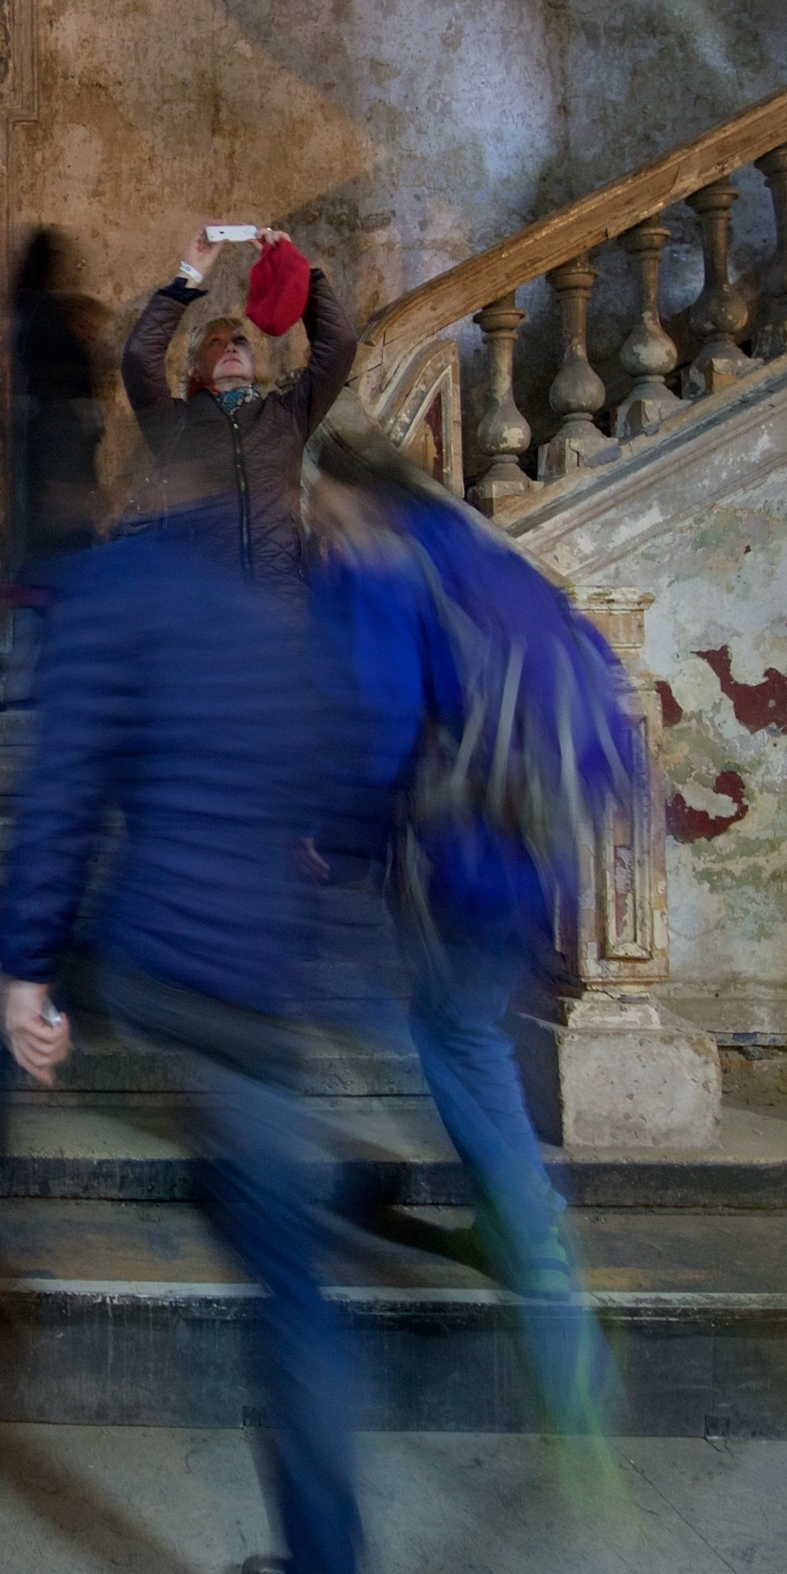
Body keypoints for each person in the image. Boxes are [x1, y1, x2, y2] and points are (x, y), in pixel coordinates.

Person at [0, 448, 369, 1574]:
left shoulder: (113, 595)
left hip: (157, 959)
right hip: (259, 974)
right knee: (290, 1285)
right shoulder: (273, 616)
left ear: (146, 498)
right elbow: (336, 780)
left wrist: (25, 969)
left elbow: (62, 787)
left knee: (2, 1031)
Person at [304, 408, 634, 1465]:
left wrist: (337, 843)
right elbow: (593, 669)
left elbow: (380, 719)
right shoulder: (488, 555)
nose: (314, 529)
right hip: (541, 847)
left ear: (348, 497)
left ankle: (548, 1297)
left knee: (454, 1041)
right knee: (462, 1023)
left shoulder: (380, 564)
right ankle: (515, 1219)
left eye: (318, 510)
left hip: (458, 856)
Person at [120, 224, 355, 597]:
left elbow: (338, 345)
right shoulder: (175, 424)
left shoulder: (286, 416)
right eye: (215, 342)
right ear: (195, 367)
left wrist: (297, 269)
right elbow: (138, 358)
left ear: (252, 358)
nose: (230, 347)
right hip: (205, 609)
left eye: (240, 341)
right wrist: (190, 274)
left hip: (281, 602)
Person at [0, 228, 107, 710]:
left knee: (37, 575)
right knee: (48, 572)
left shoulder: (28, 314)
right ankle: (9, 671)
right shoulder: (46, 319)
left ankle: (4, 670)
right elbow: (69, 392)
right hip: (59, 456)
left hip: (48, 453)